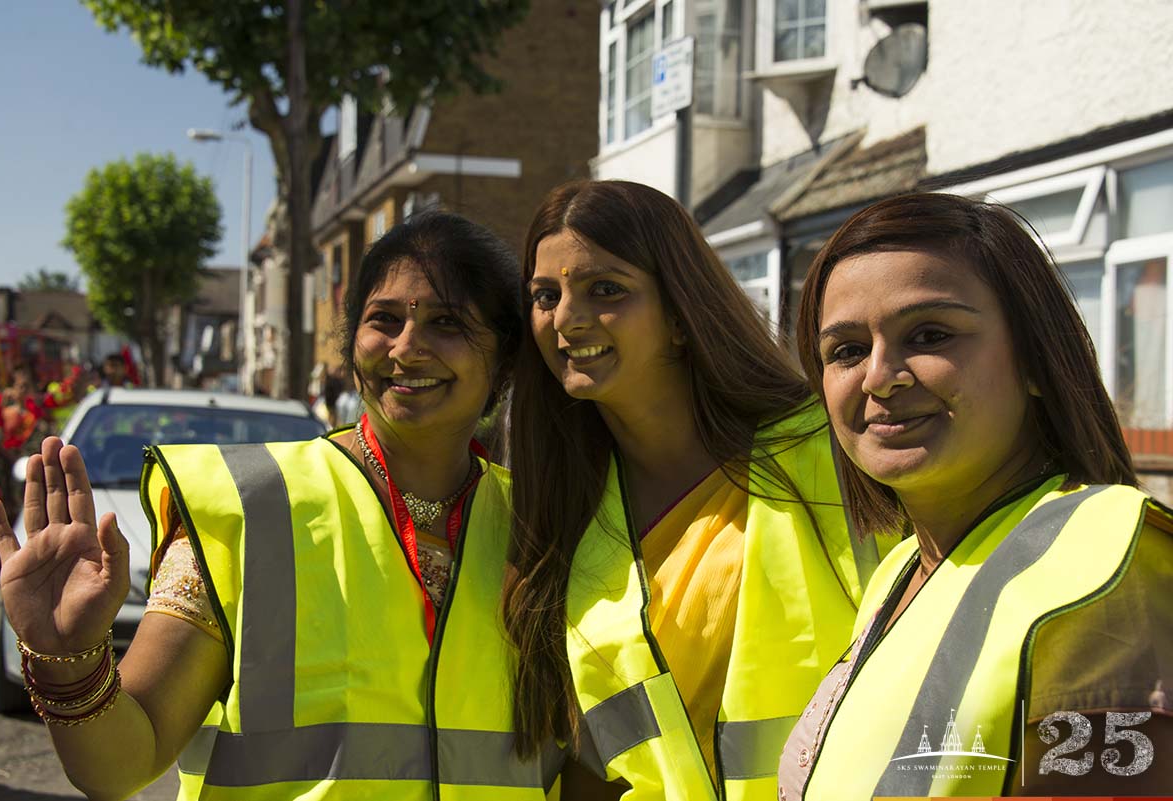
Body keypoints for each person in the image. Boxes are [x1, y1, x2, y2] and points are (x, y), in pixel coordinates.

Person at [0, 210, 565, 800]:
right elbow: (121, 767)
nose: (407, 348)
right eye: (383, 319)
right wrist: (68, 659)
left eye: (447, 323)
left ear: (505, 356)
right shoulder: (250, 508)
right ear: (350, 341)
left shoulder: (547, 526)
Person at [503, 180, 894, 800]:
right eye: (545, 295)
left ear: (681, 317)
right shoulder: (560, 519)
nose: (567, 319)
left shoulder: (827, 454)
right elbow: (597, 767)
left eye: (605, 289)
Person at [782, 192, 1173, 798]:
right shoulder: (901, 571)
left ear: (1037, 362)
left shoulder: (1107, 559)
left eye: (931, 334)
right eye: (848, 351)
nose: (880, 376)